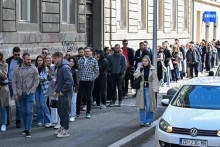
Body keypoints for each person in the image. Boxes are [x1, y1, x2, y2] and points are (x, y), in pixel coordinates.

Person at [13, 52, 39, 137]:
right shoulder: (17, 69)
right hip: (20, 93)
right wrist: (15, 93)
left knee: (29, 111)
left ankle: (28, 129)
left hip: (29, 93)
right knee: (23, 111)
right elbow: (13, 82)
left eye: (30, 59)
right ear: (23, 59)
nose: (29, 60)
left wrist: (32, 91)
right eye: (27, 59)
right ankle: (26, 128)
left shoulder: (33, 68)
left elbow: (36, 81)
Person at [133, 56, 159, 126]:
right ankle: (142, 120)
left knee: (149, 105)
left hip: (149, 88)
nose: (144, 62)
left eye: (145, 61)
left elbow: (155, 80)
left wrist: (155, 89)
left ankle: (149, 120)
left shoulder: (152, 69)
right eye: (143, 61)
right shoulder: (140, 68)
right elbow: (135, 75)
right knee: (141, 105)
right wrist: (140, 69)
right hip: (141, 88)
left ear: (149, 61)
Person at [53, 52, 73, 138]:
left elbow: (69, 81)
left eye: (55, 58)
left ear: (59, 58)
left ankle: (66, 130)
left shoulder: (64, 68)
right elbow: (60, 81)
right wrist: (57, 90)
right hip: (61, 93)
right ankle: (62, 127)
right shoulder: (59, 67)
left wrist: (63, 91)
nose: (53, 60)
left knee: (65, 111)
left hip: (66, 93)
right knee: (60, 111)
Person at [76, 47, 99, 118]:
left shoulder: (94, 60)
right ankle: (77, 113)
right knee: (79, 97)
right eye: (85, 51)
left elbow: (97, 72)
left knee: (89, 97)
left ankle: (88, 112)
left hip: (89, 81)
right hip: (81, 81)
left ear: (91, 52)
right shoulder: (81, 59)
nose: (86, 52)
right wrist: (78, 78)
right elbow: (78, 69)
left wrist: (92, 79)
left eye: (88, 51)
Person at [6, 47, 23, 128]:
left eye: (18, 54)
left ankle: (18, 121)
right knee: (7, 103)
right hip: (8, 84)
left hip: (17, 85)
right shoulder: (8, 60)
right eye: (15, 54)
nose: (17, 56)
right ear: (13, 53)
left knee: (18, 104)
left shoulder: (21, 61)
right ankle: (7, 120)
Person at [35, 55, 52, 127]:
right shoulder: (34, 68)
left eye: (41, 60)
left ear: (43, 61)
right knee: (39, 105)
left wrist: (36, 78)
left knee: (43, 104)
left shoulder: (46, 69)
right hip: (36, 89)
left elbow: (45, 78)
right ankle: (40, 120)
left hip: (44, 89)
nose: (39, 62)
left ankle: (48, 120)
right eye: (38, 60)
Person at [47, 54, 60, 129]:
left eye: (55, 58)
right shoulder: (51, 68)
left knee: (58, 106)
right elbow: (48, 79)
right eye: (53, 58)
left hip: (57, 89)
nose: (54, 60)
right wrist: (49, 75)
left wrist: (54, 77)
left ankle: (58, 122)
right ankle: (53, 121)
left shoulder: (61, 68)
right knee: (52, 105)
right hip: (51, 89)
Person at [0, 52, 10, 132]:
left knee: (2, 105)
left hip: (2, 88)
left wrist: (0, 71)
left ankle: (4, 123)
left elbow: (5, 76)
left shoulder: (5, 65)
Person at [68, 56, 79, 122]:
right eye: (70, 61)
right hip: (67, 88)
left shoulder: (75, 70)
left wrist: (76, 89)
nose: (71, 63)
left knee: (73, 102)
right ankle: (69, 113)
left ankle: (73, 115)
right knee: (68, 102)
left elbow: (77, 81)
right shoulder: (66, 69)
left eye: (72, 62)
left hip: (73, 87)